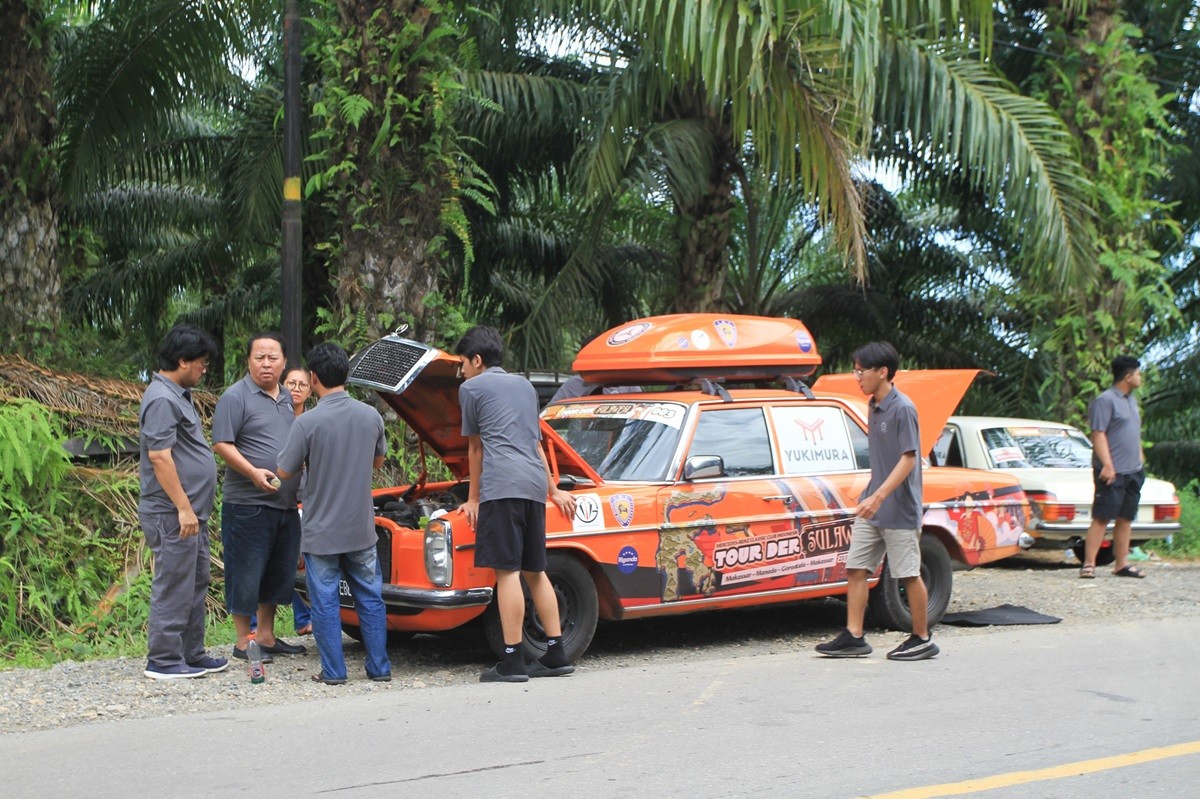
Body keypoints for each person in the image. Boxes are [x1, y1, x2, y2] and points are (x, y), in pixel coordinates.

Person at [455, 325, 578, 682]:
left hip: (502, 486)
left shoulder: (471, 388)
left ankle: (512, 661)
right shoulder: (525, 386)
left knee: (506, 572)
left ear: (477, 360)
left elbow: (475, 447)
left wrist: (473, 498)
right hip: (532, 485)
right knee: (534, 570)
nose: (461, 371)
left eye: (463, 363)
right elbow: (536, 443)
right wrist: (552, 490)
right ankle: (556, 652)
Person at [815, 341, 939, 661]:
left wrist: (880, 495)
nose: (857, 377)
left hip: (898, 507)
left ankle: (922, 638)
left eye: (861, 371)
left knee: (908, 573)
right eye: (855, 370)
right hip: (873, 505)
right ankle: (855, 636)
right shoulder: (873, 405)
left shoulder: (903, 408)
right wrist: (870, 494)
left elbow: (909, 459)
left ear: (883, 372)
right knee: (856, 568)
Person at [277, 343, 392, 684]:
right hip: (360, 528)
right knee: (370, 597)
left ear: (313, 379)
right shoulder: (370, 416)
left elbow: (284, 471)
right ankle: (379, 669)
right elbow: (378, 461)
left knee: (324, 601)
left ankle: (334, 672)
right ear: (346, 374)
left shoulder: (307, 423)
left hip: (321, 532)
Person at [138, 324, 227, 679]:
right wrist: (183, 507)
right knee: (175, 582)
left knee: (195, 580)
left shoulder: (176, 394)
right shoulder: (161, 399)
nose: (204, 369)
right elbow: (160, 456)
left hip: (191, 513)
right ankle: (162, 659)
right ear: (182, 360)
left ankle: (190, 652)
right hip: (173, 512)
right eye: (201, 363)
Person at [213, 333, 307, 665]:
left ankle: (266, 636)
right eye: (259, 358)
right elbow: (222, 444)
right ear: (248, 361)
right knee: (246, 571)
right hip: (247, 503)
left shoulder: (286, 398)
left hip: (284, 503)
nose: (266, 364)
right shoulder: (235, 397)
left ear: (284, 362)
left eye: (272, 358)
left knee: (277, 572)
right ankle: (243, 640)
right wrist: (253, 472)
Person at [1080, 355, 1148, 579]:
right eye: (1137, 373)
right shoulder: (1105, 400)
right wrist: (1107, 465)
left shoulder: (1131, 400)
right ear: (1128, 376)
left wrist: (1140, 458)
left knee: (1126, 518)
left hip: (1133, 470)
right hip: (1112, 471)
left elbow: (1132, 432)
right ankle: (1088, 564)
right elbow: (1098, 434)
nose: (1140, 377)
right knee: (1102, 517)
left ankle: (1121, 564)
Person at [283, 367, 314, 634]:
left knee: (303, 562)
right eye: (291, 383)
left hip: (308, 501)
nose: (296, 388)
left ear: (310, 390)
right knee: (281, 561)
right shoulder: (275, 418)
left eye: (302, 384)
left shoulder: (315, 419)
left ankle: (304, 618)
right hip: (279, 497)